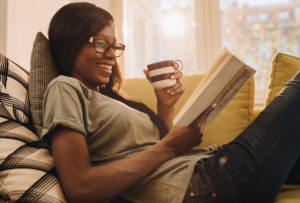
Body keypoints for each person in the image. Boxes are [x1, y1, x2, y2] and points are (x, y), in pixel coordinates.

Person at [41, 2, 300, 203]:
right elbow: (79, 187)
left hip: (208, 168)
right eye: (100, 44)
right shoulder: (64, 88)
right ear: (70, 41)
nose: (111, 55)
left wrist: (164, 106)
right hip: (205, 183)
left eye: (114, 46)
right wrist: (169, 147)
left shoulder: (108, 98)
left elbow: (151, 150)